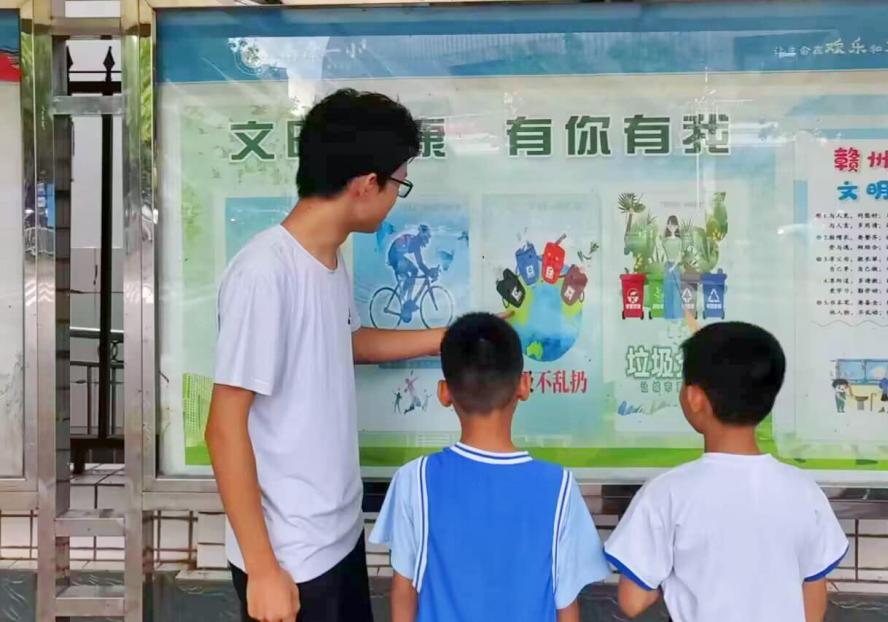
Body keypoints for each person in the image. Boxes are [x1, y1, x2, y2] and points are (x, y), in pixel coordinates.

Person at [206, 89, 446, 622]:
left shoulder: (329, 260)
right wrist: (263, 569)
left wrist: (444, 338)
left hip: (336, 536)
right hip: (288, 558)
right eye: (399, 184)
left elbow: (345, 342)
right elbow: (223, 426)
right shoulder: (265, 273)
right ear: (366, 185)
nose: (396, 198)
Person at [371, 313, 609, 622]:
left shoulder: (414, 479)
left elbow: (404, 592)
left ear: (444, 392)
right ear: (524, 385)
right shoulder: (559, 487)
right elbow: (567, 607)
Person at [604, 322, 848, 622]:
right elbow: (813, 603)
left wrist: (672, 572)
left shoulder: (665, 493)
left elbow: (632, 601)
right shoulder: (804, 490)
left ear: (695, 398)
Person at [388, 223, 437, 323]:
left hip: (396, 255)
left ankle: (406, 299)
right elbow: (420, 263)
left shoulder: (415, 241)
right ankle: (407, 300)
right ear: (423, 237)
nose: (427, 241)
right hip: (395, 257)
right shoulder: (415, 242)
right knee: (414, 271)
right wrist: (429, 272)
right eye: (426, 238)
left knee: (413, 272)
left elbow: (420, 263)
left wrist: (428, 271)